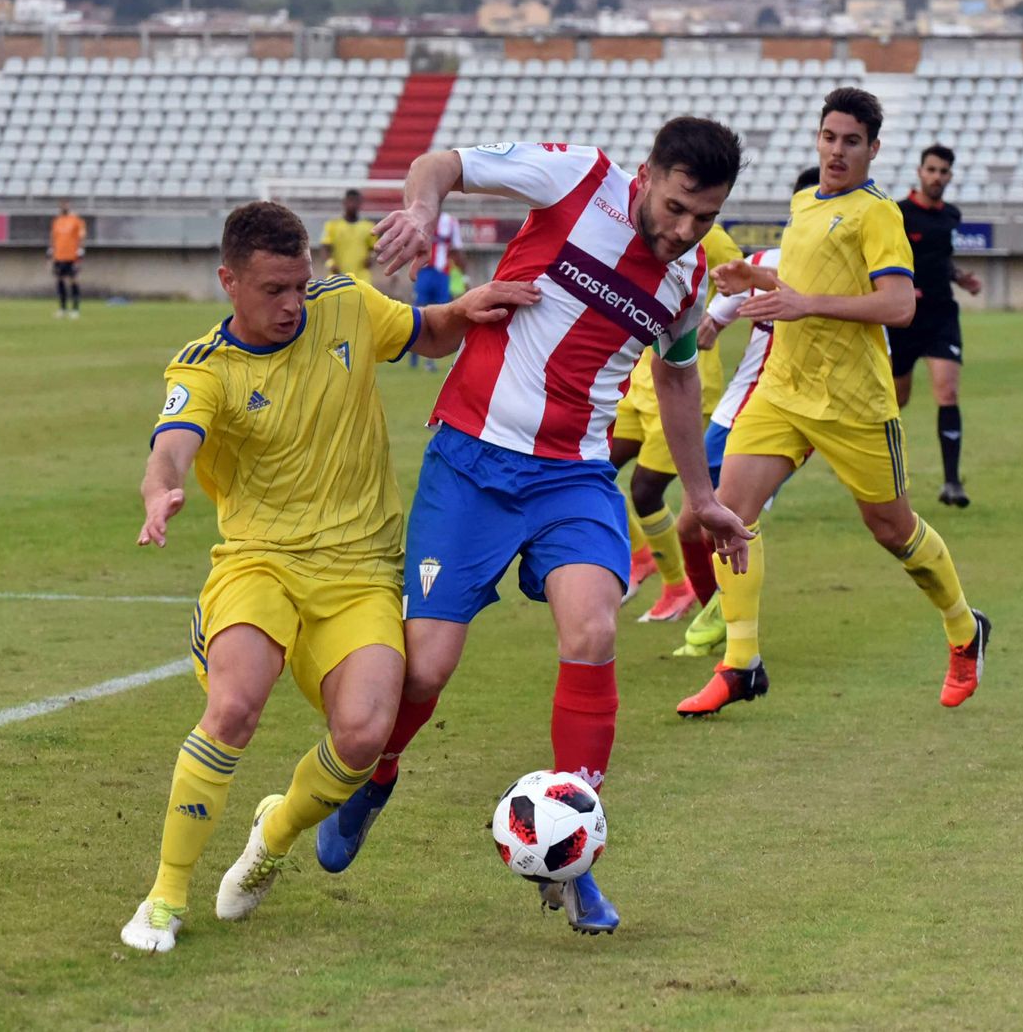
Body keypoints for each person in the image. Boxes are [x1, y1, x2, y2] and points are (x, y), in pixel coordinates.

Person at [315, 124, 754, 935]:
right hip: (473, 460)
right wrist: (418, 207)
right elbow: (441, 163)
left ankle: (576, 852)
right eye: (676, 206)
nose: (686, 229)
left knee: (592, 631)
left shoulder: (688, 279)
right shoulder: (577, 179)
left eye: (706, 215)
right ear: (647, 174)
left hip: (575, 477)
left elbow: (679, 374)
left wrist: (704, 493)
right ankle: (375, 777)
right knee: (424, 671)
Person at [120, 201, 536, 954]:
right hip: (259, 562)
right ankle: (164, 896)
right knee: (236, 706)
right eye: (273, 289)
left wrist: (464, 310)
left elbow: (425, 332)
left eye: (298, 285)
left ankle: (273, 834)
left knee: (365, 734)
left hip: (360, 570)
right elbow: (174, 443)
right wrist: (160, 489)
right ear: (229, 282)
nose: (291, 305)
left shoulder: (342, 305)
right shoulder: (205, 368)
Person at [676, 88, 992, 718]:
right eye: (829, 137)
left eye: (852, 141)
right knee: (730, 513)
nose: (837, 150)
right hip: (784, 391)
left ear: (873, 148)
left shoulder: (878, 214)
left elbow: (899, 307)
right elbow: (804, 284)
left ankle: (964, 629)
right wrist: (757, 280)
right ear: (817, 138)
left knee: (892, 529)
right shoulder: (804, 201)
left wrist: (801, 303)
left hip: (854, 402)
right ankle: (741, 664)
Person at [674, 166, 821, 660]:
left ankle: (729, 631)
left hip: (788, 419)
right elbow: (714, 320)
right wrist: (709, 326)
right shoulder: (762, 262)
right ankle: (715, 608)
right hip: (732, 411)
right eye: (804, 208)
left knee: (734, 520)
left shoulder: (842, 278)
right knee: (689, 525)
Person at [612, 221, 744, 624]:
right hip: (637, 380)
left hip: (685, 381)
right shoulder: (634, 227)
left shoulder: (712, 237)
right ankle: (639, 555)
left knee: (646, 489)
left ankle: (677, 585)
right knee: (591, 468)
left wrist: (715, 318)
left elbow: (744, 285)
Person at [893, 145, 983, 508]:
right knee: (896, 400)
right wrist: (901, 287)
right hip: (904, 318)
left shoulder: (951, 216)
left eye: (943, 171)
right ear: (920, 171)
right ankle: (880, 474)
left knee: (947, 393)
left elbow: (940, 260)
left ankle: (952, 483)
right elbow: (886, 257)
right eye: (931, 169)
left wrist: (961, 278)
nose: (937, 177)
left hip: (942, 316)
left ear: (949, 176)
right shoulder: (898, 213)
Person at [409, 209, 466, 371]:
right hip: (424, 273)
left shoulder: (450, 222)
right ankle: (412, 352)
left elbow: (456, 250)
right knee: (418, 312)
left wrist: (464, 277)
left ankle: (430, 360)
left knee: (441, 316)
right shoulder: (418, 219)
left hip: (442, 274)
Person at [320, 188, 378, 284]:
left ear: (360, 203)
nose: (353, 204)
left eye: (356, 201)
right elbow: (325, 247)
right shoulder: (332, 225)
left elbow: (374, 248)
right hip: (337, 277)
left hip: (362, 278)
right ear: (344, 202)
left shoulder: (369, 226)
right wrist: (330, 263)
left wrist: (371, 258)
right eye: (350, 200)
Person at [48, 201, 87, 318]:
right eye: (62, 205)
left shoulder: (76, 220)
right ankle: (62, 308)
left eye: (66, 204)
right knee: (60, 281)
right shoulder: (57, 221)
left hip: (72, 256)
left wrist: (80, 253)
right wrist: (50, 254)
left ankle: (75, 309)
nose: (64, 207)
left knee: (74, 280)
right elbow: (52, 238)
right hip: (59, 256)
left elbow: (82, 237)